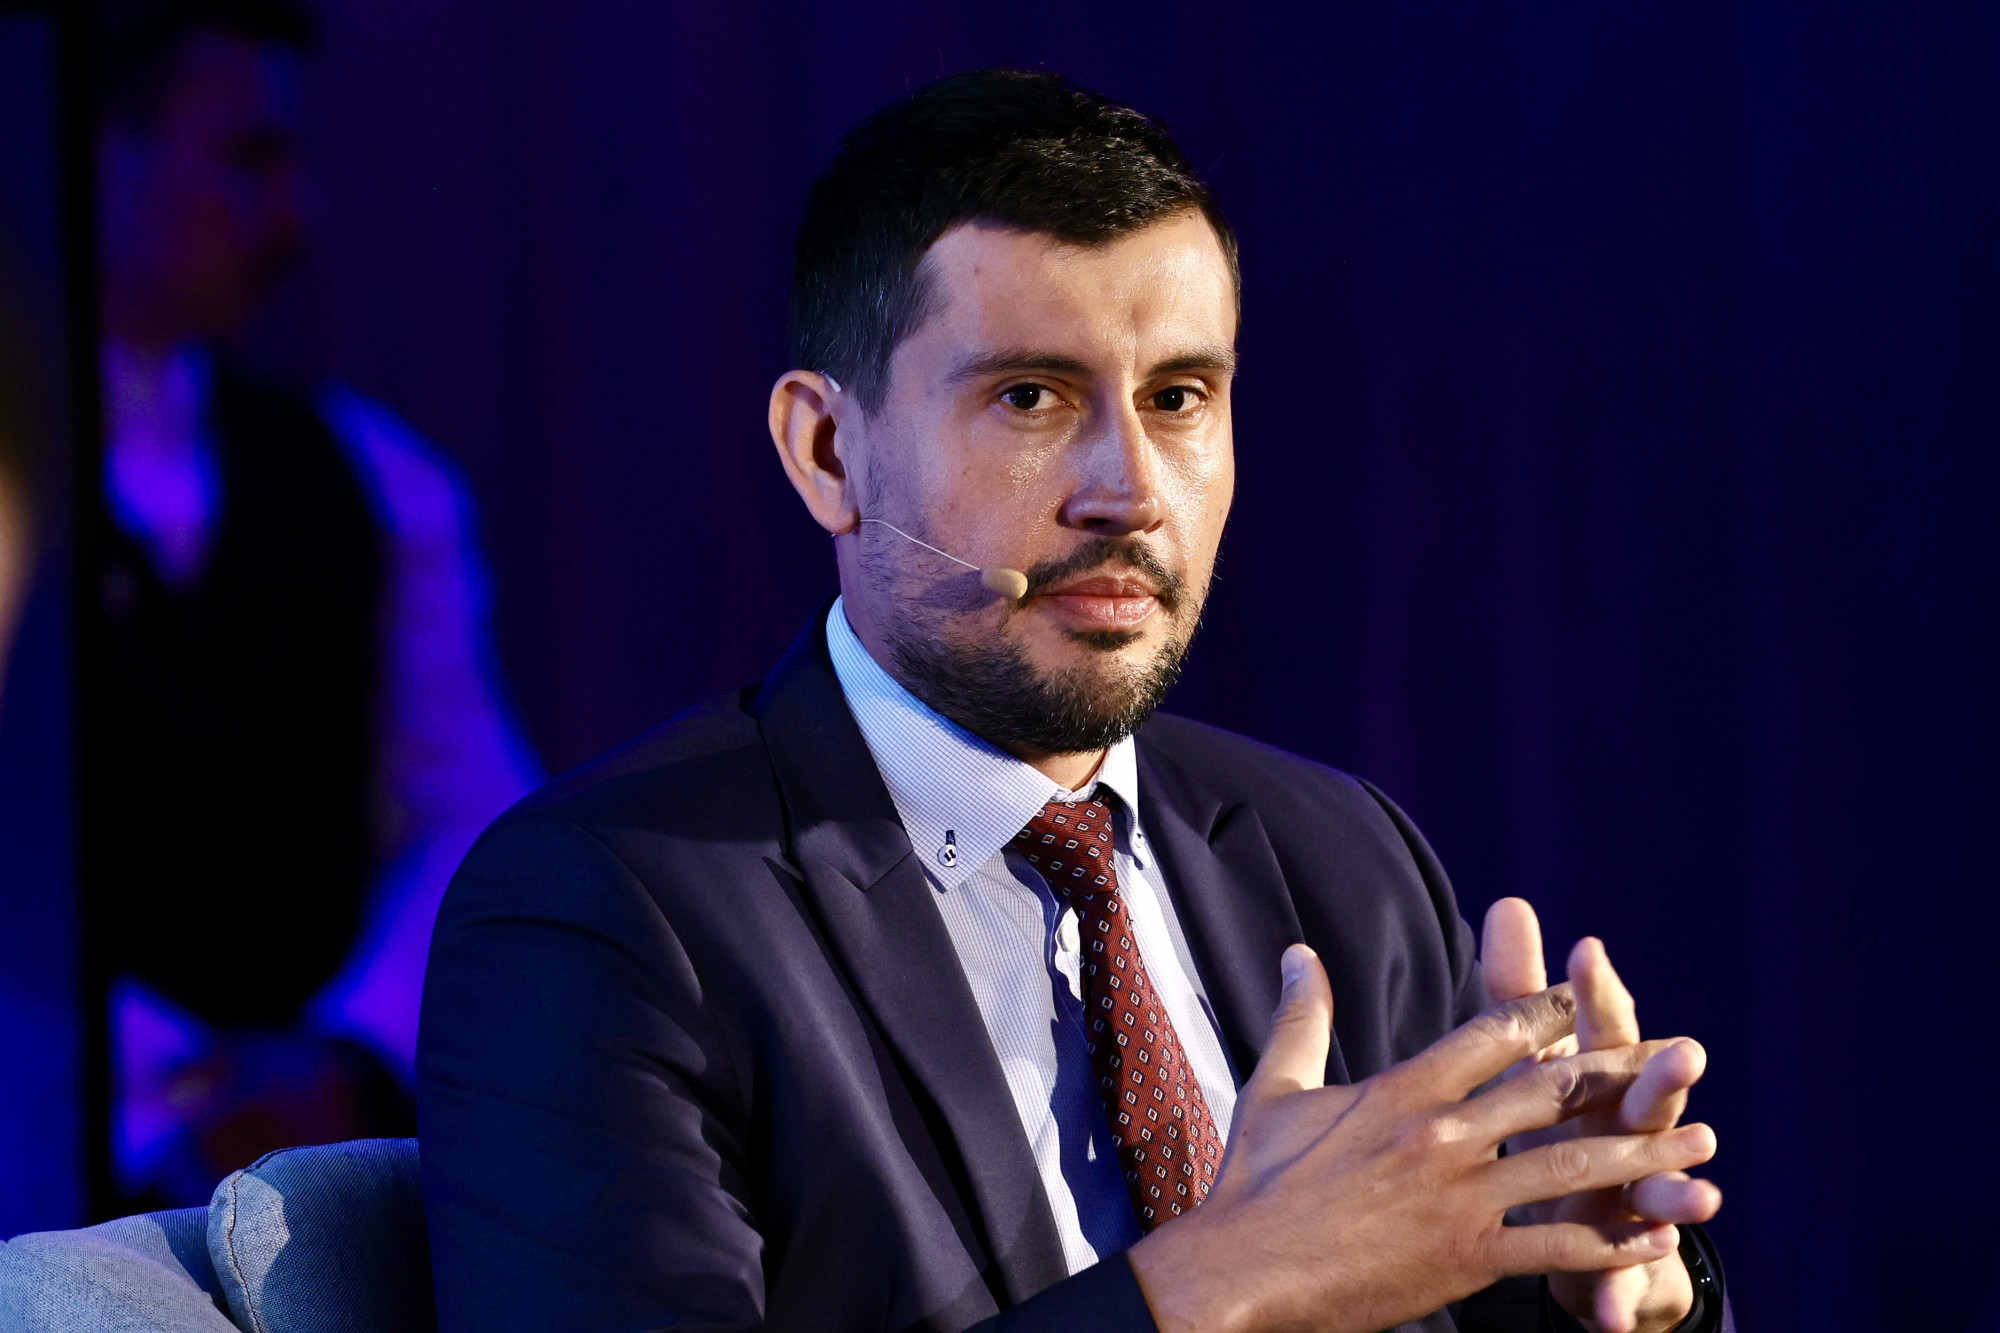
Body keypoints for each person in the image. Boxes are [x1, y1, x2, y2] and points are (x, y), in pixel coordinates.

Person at [418, 71, 1729, 1333]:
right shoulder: (603, 910)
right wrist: (1208, 1289)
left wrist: (1604, 1297)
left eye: (1179, 397)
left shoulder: (1345, 855)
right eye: (1030, 397)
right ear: (827, 451)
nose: (1130, 490)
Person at [92, 0, 539, 1208]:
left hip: (301, 1175)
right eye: (247, 156)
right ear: (94, 149)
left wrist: (345, 1050)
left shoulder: (374, 477)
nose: (297, 217)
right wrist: (162, 1080)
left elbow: (474, 813)